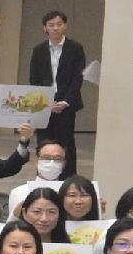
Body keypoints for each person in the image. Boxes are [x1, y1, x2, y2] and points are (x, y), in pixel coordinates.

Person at [21, 10, 87, 163]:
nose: (56, 28)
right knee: (44, 141)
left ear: (65, 26)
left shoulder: (76, 48)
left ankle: (67, 179)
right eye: (51, 25)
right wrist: (45, 102)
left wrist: (65, 102)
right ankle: (45, 176)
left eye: (59, 24)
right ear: (45, 28)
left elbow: (78, 78)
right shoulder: (39, 50)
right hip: (44, 103)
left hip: (66, 103)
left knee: (66, 143)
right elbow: (34, 78)